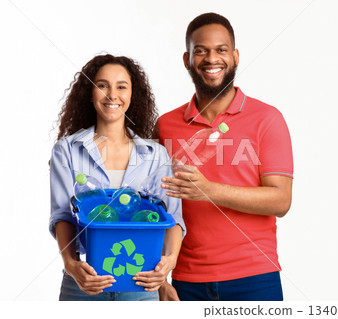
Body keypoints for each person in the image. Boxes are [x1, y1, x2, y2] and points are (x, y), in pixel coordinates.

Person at [157, 13, 293, 301]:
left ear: (235, 56)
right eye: (201, 50)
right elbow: (157, 205)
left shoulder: (267, 119)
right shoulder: (166, 124)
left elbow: (281, 201)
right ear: (187, 59)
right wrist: (160, 279)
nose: (211, 58)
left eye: (221, 50)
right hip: (185, 282)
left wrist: (208, 190)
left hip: (255, 278)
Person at [49, 54, 185, 301]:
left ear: (132, 95)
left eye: (121, 87)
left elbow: (173, 217)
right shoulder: (67, 150)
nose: (112, 95)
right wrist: (71, 265)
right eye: (102, 85)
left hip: (141, 285)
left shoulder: (155, 155)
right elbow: (62, 215)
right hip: (83, 285)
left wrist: (169, 263)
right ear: (90, 93)